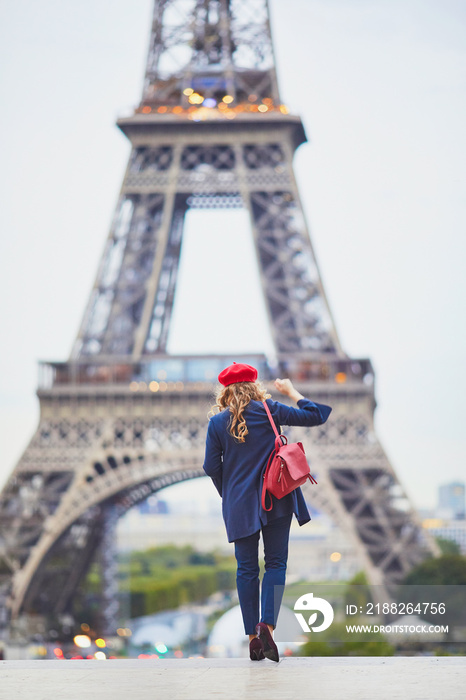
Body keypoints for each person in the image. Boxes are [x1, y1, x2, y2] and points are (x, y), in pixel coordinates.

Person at [203, 362, 332, 662]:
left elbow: (211, 466)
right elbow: (318, 415)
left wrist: (231, 493)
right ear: (254, 385)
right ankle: (268, 626)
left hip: (239, 506)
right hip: (277, 499)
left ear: (225, 390)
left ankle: (251, 636)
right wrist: (290, 390)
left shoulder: (217, 423)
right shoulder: (271, 409)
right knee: (275, 564)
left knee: (246, 570)